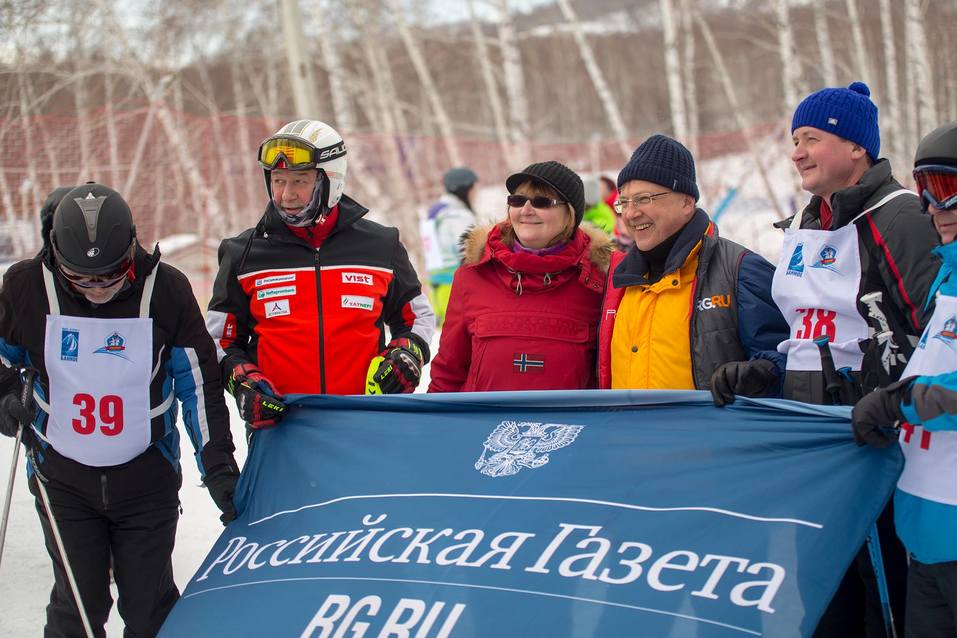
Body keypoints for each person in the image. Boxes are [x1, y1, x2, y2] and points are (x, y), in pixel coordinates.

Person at [714, 81, 940, 637]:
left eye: (811, 138)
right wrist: (769, 372)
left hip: (883, 444)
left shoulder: (900, 217)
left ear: (856, 147)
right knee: (822, 596)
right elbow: (806, 333)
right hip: (817, 441)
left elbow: (934, 335)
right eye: (794, 139)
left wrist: (882, 396)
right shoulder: (803, 224)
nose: (796, 152)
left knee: (883, 595)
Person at [0, 182, 239, 636]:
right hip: (62, 478)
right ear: (55, 256)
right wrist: (5, 396)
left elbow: (198, 384)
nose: (98, 290)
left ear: (132, 248)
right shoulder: (26, 287)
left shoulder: (165, 290)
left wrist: (219, 466)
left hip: (145, 479)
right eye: (83, 280)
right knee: (78, 607)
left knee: (150, 607)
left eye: (111, 276)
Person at [207, 119, 435, 428]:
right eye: (278, 180)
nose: (286, 194)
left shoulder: (381, 245)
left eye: (300, 181)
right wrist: (243, 380)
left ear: (331, 181)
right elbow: (221, 340)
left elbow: (417, 318)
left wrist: (406, 355)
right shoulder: (242, 253)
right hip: (283, 427)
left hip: (367, 420)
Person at [852, 121, 957, 638]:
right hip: (927, 529)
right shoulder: (948, 277)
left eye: (944, 188)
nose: (932, 207)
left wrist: (900, 401)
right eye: (925, 191)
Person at [597, 134, 788, 391]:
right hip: (626, 431)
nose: (631, 213)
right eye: (624, 202)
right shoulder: (617, 279)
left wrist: (761, 373)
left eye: (644, 199)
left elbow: (789, 364)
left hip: (710, 431)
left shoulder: (740, 270)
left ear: (687, 202)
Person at [428, 160, 611, 392]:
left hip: (568, 427)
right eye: (517, 200)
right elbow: (448, 371)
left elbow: (610, 377)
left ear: (570, 215)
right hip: (480, 425)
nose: (526, 210)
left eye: (542, 201)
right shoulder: (473, 275)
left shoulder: (599, 281)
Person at [422, 167, 478, 325]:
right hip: (455, 283)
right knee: (459, 332)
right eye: (473, 187)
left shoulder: (435, 211)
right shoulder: (457, 215)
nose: (475, 193)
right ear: (464, 188)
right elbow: (469, 250)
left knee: (446, 331)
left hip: (437, 282)